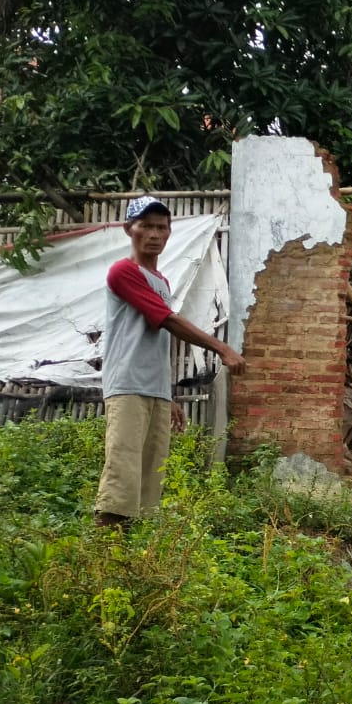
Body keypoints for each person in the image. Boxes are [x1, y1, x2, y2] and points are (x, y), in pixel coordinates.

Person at [95, 195, 246, 527]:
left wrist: (169, 395)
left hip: (154, 390)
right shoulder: (123, 271)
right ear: (128, 229)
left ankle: (132, 560)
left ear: (169, 232)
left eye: (161, 227)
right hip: (128, 385)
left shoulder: (161, 282)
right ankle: (101, 555)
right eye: (145, 226)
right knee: (122, 476)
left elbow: (156, 342)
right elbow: (167, 321)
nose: (154, 234)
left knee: (150, 480)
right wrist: (222, 348)